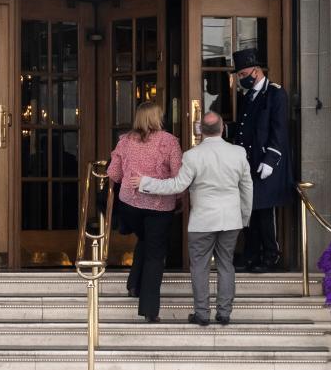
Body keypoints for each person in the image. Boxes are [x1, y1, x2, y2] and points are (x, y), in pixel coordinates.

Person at [129, 112, 252, 326]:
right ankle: (224, 313)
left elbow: (177, 185)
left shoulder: (192, 156)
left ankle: (202, 314)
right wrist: (244, 216)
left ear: (201, 130)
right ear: (222, 128)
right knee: (226, 265)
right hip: (230, 219)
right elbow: (247, 188)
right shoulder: (238, 153)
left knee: (200, 267)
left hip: (202, 222)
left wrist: (145, 183)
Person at [107, 101, 182, 322]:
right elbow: (178, 176)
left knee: (146, 239)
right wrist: (181, 199)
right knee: (155, 254)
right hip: (160, 206)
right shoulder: (169, 141)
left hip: (130, 206)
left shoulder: (124, 141)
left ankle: (134, 285)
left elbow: (114, 174)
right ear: (157, 117)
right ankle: (149, 310)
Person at [229, 48, 292, 273]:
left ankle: (270, 256)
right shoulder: (248, 96)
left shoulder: (275, 94)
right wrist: (221, 129)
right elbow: (244, 128)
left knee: (264, 211)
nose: (240, 78)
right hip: (248, 162)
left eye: (243, 74)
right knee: (249, 210)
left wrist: (270, 159)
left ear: (256, 71)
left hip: (266, 162)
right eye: (239, 75)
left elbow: (279, 129)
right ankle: (251, 255)